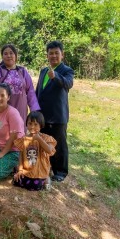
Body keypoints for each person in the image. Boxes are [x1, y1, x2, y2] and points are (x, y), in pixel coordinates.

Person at [35, 40, 75, 182]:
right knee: (45, 142)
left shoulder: (66, 71)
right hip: (43, 116)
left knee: (59, 144)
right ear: (47, 55)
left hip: (58, 116)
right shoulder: (44, 71)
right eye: (50, 53)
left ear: (62, 55)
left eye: (56, 53)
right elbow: (38, 91)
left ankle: (60, 172)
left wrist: (56, 76)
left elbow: (68, 84)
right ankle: (47, 166)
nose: (53, 56)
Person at [0, 44, 40, 117]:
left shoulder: (22, 71)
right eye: (5, 54)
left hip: (20, 109)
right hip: (2, 108)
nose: (8, 56)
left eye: (11, 53)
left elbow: (30, 91)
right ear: (2, 56)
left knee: (19, 126)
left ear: (15, 55)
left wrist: (34, 110)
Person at [13, 111, 57, 191]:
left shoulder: (46, 138)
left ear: (41, 125)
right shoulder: (24, 139)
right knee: (16, 181)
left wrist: (39, 139)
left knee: (33, 186)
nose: (32, 127)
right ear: (26, 124)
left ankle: (46, 179)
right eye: (30, 124)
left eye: (36, 124)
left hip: (40, 171)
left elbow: (49, 151)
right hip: (27, 170)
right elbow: (21, 156)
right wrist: (20, 170)